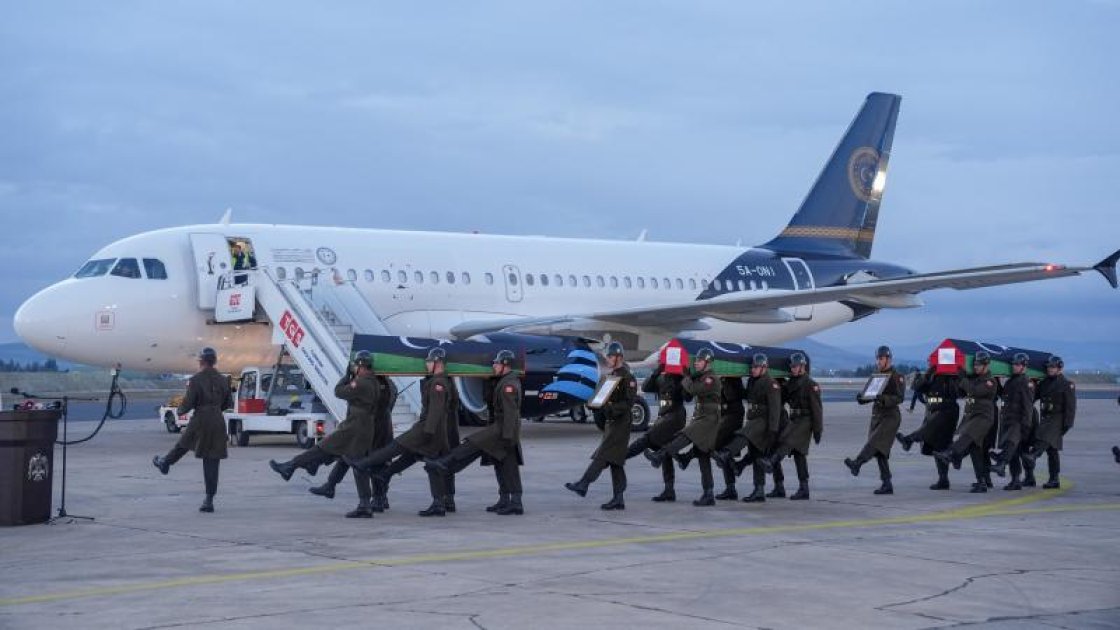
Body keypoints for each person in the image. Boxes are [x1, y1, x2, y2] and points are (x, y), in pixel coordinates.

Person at [268, 351, 380, 518]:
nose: (355, 368)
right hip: (361, 426)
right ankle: (359, 502)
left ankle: (291, 466)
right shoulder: (374, 382)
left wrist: (347, 376)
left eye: (356, 365)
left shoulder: (362, 382)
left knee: (324, 447)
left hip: (354, 427)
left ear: (362, 366)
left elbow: (339, 391)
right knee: (356, 464)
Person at [346, 348, 457, 516]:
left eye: (429, 362)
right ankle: (439, 503)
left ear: (438, 363)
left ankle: (364, 465)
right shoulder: (441, 381)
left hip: (427, 428)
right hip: (436, 430)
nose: (426, 365)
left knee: (397, 446)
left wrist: (428, 432)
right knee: (428, 463)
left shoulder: (437, 384)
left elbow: (435, 410)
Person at [425, 349, 525, 515]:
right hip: (500, 428)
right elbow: (488, 399)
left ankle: (446, 462)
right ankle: (506, 500)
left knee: (475, 443)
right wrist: (489, 380)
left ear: (505, 365)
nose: (494, 365)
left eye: (497, 363)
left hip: (504, 430)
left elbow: (511, 414)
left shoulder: (509, 385)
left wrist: (508, 437)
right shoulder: (503, 381)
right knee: (502, 465)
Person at [152, 347, 233, 512]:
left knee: (184, 443)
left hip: (201, 418)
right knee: (212, 460)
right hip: (218, 420)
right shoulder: (223, 380)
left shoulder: (196, 380)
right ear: (214, 361)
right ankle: (209, 500)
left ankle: (165, 463)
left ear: (202, 361)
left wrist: (180, 411)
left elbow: (188, 403)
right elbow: (227, 403)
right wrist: (215, 409)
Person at [644, 347, 722, 506]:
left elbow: (693, 390)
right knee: (703, 456)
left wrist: (685, 375)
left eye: (700, 361)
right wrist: (686, 376)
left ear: (708, 363)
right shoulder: (701, 377)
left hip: (708, 419)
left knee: (685, 435)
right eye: (696, 360)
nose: (697, 363)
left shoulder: (710, 378)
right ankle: (708, 494)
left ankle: (660, 455)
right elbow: (689, 393)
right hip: (702, 417)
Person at [565, 342, 637, 510]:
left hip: (620, 424)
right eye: (608, 356)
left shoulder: (627, 377)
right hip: (611, 424)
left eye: (611, 356)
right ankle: (618, 499)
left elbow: (627, 403)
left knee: (602, 455)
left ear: (619, 357)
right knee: (615, 461)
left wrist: (609, 408)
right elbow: (601, 398)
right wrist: (593, 403)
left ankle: (583, 484)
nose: (608, 359)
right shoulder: (612, 375)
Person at [309, 375, 397, 511]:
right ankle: (330, 484)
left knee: (374, 463)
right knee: (349, 456)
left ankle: (379, 498)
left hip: (376, 430)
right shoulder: (389, 385)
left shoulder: (373, 385)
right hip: (378, 428)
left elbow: (345, 394)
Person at [711, 353, 783, 503]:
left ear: (764, 367)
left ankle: (726, 453)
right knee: (756, 455)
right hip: (753, 420)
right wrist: (730, 382)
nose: (753, 369)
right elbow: (744, 395)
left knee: (744, 435)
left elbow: (775, 409)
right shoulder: (752, 381)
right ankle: (759, 491)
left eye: (756, 367)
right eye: (752, 367)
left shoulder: (771, 383)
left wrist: (772, 430)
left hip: (763, 421)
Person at [932, 352, 998, 493]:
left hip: (983, 418)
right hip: (973, 417)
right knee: (975, 449)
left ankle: (951, 453)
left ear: (986, 365)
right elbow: (963, 393)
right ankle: (981, 482)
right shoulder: (974, 378)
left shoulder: (990, 381)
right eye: (974, 364)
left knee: (967, 436)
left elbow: (974, 391)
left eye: (979, 364)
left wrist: (963, 378)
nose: (975, 367)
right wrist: (958, 379)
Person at [760, 352, 823, 500]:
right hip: (794, 419)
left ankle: (772, 461)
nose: (793, 369)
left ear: (802, 367)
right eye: (792, 366)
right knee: (799, 455)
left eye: (795, 366)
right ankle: (799, 488)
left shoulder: (810, 384)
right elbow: (782, 397)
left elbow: (817, 409)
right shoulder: (791, 383)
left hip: (806, 420)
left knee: (787, 441)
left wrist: (818, 430)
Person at [624, 362, 690, 502]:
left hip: (675, 417)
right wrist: (656, 372)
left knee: (647, 439)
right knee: (664, 449)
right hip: (664, 417)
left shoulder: (680, 379)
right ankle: (669, 490)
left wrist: (685, 376)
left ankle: (623, 455)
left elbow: (688, 396)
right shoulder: (661, 378)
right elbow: (646, 387)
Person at [844, 346, 905, 495]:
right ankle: (887, 484)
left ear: (888, 359)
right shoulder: (877, 375)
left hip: (891, 416)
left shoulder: (896, 376)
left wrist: (883, 398)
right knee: (880, 452)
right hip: (877, 416)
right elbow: (869, 394)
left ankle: (857, 463)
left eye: (881, 358)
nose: (878, 361)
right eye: (877, 358)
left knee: (874, 443)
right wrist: (861, 398)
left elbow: (899, 397)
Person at [896, 366, 960, 490]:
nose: (932, 363)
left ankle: (909, 440)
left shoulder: (951, 376)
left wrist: (956, 374)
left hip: (947, 411)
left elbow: (959, 392)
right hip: (932, 410)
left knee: (936, 438)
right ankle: (943, 480)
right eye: (930, 361)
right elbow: (916, 388)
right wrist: (927, 375)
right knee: (938, 447)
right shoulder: (930, 375)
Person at [1022, 356, 1077, 489]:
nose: (1050, 369)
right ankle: (1052, 479)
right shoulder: (1044, 383)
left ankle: (1035, 455)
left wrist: (1068, 425)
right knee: (1052, 450)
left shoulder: (1067, 384)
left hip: (1058, 419)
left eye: (1052, 367)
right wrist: (1031, 384)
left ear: (1059, 369)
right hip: (1046, 418)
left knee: (1045, 439)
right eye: (1048, 367)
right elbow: (1034, 396)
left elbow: (1071, 406)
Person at [989, 353, 1035, 489]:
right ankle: (1015, 480)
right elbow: (1004, 395)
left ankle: (1001, 463)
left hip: (1018, 421)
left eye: (1017, 365)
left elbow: (1028, 406)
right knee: (1014, 452)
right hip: (1007, 420)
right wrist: (996, 381)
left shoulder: (1026, 382)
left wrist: (1026, 425)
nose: (1014, 367)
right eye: (1013, 364)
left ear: (1024, 367)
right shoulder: (1011, 381)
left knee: (1011, 445)